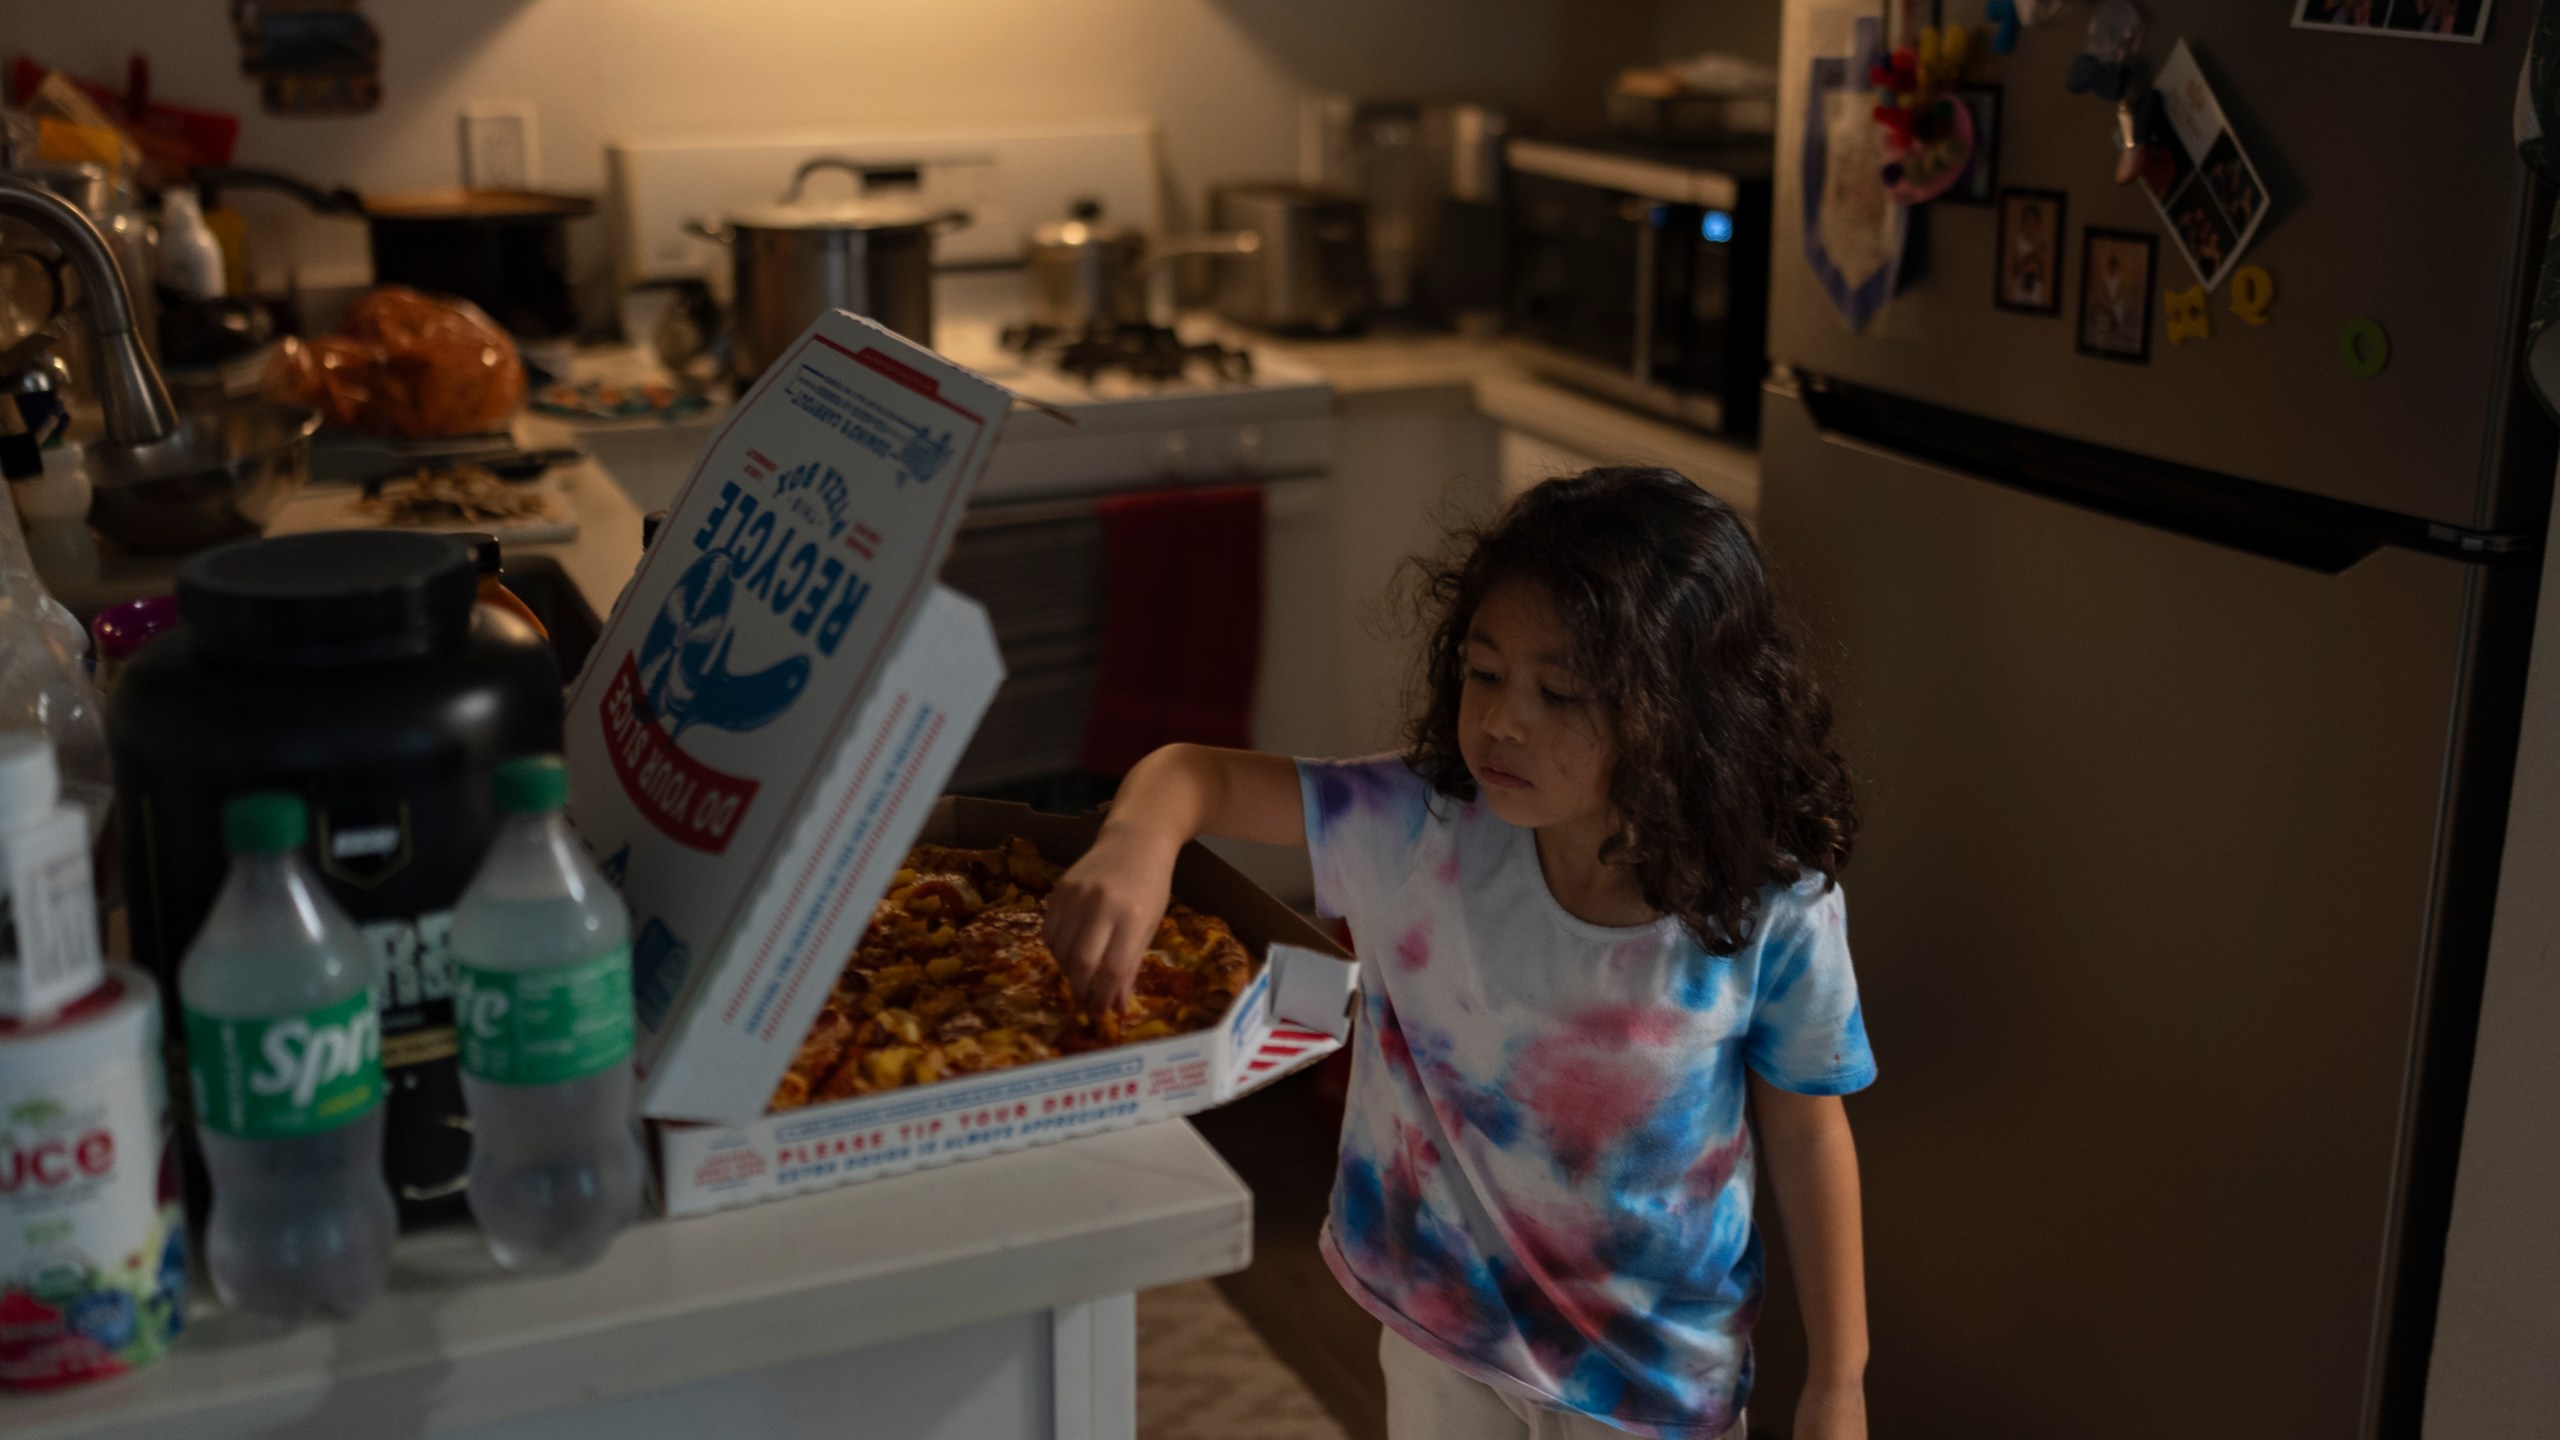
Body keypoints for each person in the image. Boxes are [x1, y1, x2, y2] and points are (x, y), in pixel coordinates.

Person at [1046, 470, 1876, 1440]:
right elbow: (1191, 776)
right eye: (1483, 674)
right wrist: (1134, 843)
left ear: (1680, 714)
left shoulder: (1771, 906)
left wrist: (1838, 1381)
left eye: (1558, 691)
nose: (1501, 721)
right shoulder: (1417, 827)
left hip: (1652, 1383)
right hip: (1444, 1332)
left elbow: (1808, 1133)